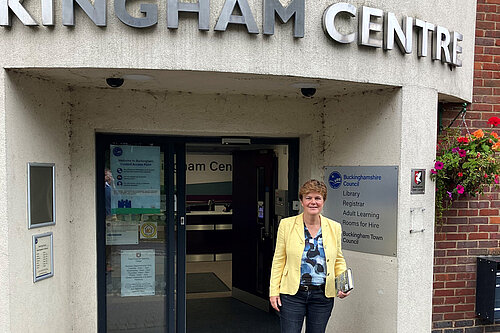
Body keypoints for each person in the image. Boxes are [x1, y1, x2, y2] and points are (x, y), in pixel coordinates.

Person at [269, 179, 350, 333]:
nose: (313, 202)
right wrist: (274, 291)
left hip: (322, 296)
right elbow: (278, 260)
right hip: (292, 295)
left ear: (323, 201)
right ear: (302, 201)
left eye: (318, 198)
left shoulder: (334, 227)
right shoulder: (286, 225)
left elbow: (338, 259)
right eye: (308, 198)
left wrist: (343, 284)